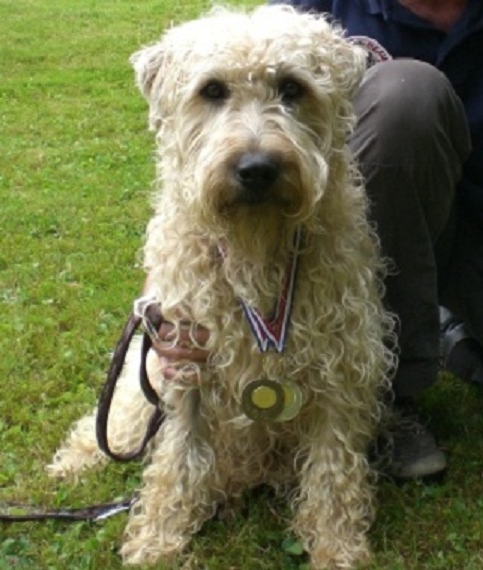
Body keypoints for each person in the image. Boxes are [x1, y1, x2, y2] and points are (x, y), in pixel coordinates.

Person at [148, 0, 483, 480]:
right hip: (383, 230)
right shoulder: (310, 14)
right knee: (407, 95)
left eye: (287, 91)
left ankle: (454, 327)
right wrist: (160, 297)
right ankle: (393, 398)